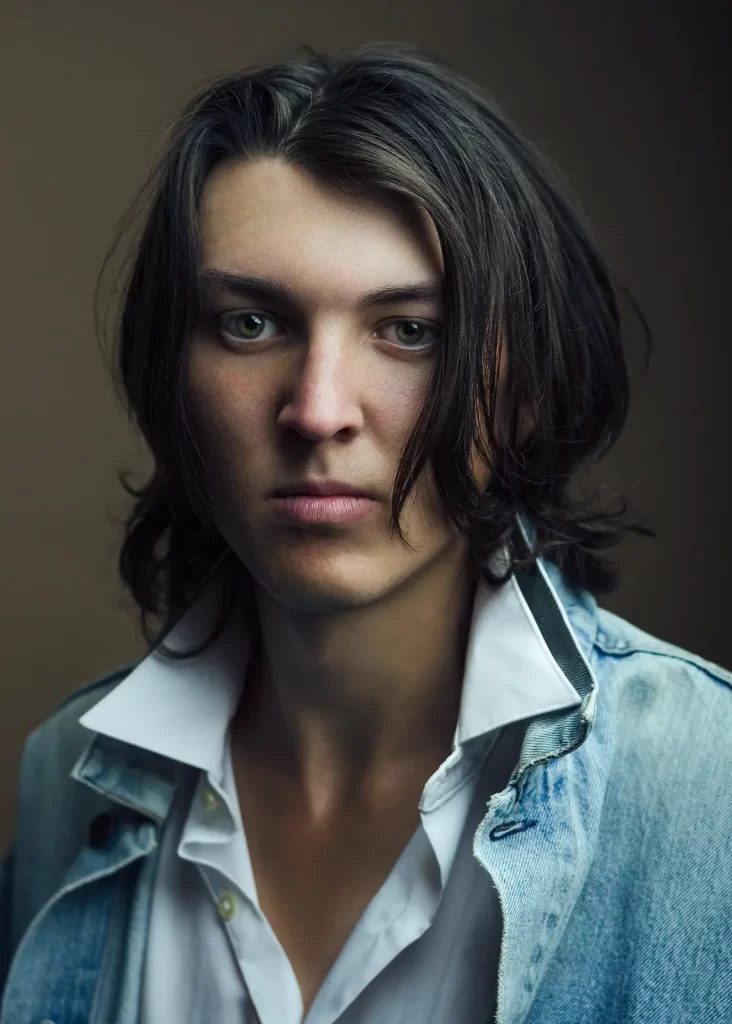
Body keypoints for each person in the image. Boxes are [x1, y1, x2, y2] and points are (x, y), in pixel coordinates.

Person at [1, 39, 730, 1024]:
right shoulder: (67, 776)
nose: (317, 410)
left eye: (409, 331)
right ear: (172, 375)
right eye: (251, 324)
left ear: (526, 384)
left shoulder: (707, 783)